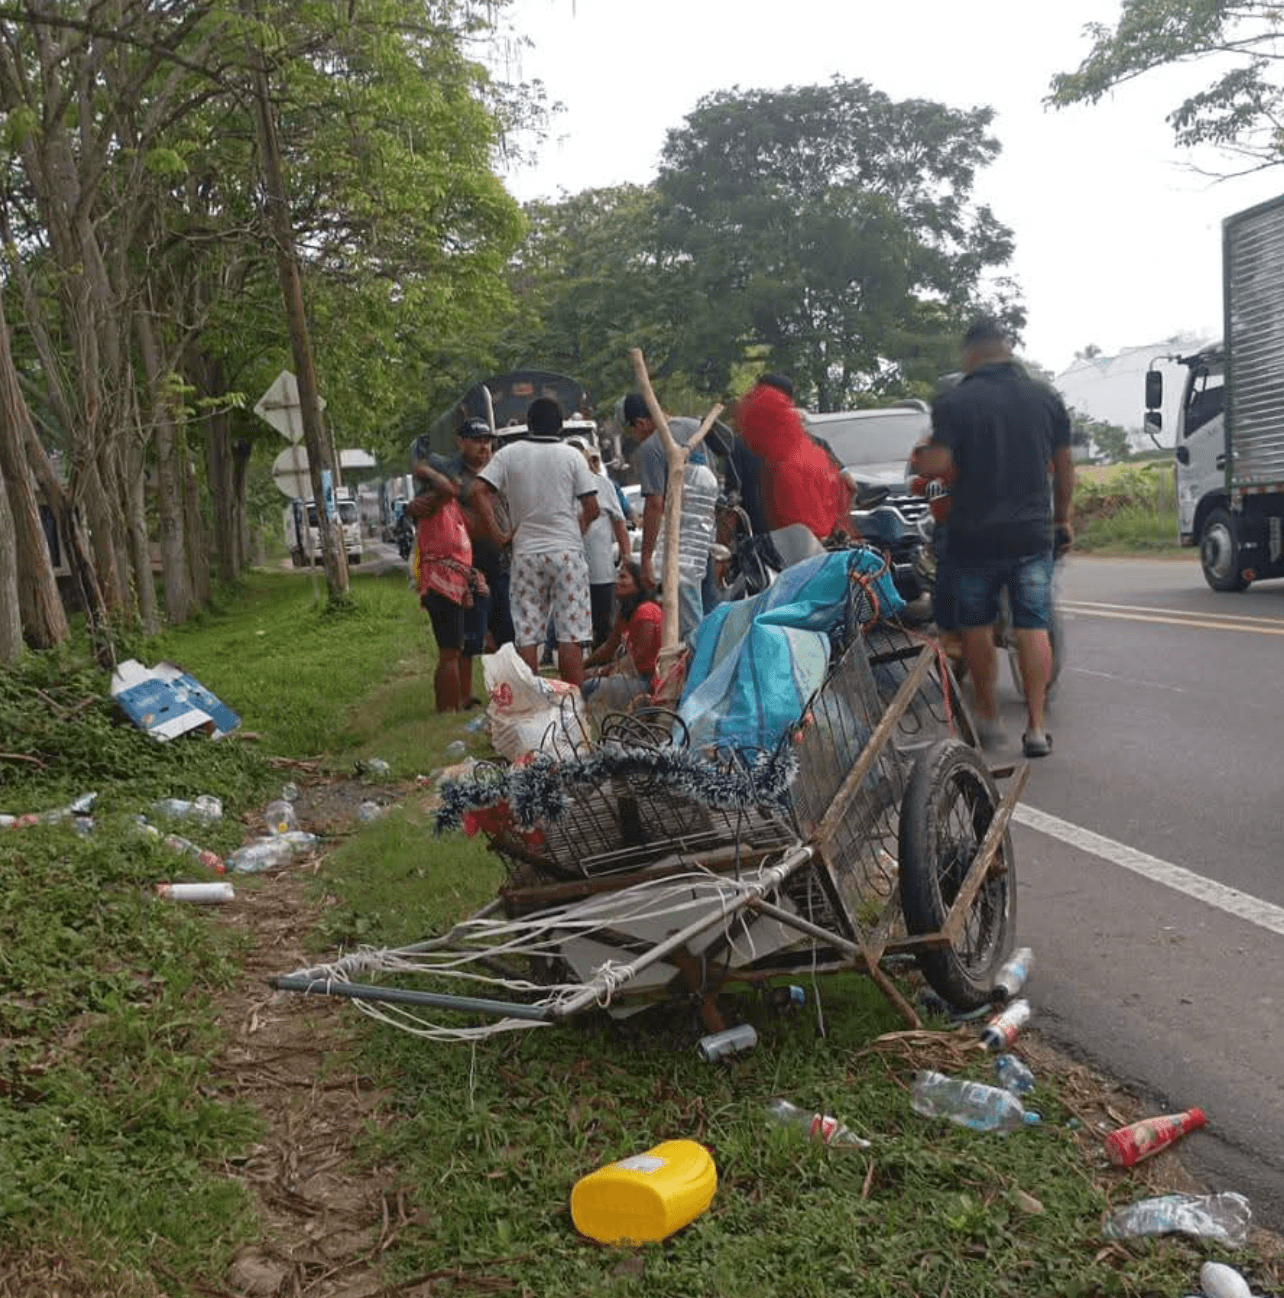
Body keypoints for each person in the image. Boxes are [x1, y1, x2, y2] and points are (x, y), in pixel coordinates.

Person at [918, 319, 1075, 757]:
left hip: (974, 535)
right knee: (1033, 624)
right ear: (1006, 349)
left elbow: (939, 466)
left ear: (971, 352)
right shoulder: (1045, 397)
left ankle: (987, 718)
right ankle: (1037, 728)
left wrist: (927, 460)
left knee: (977, 626)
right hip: (1031, 534)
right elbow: (1064, 470)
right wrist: (1062, 521)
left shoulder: (956, 400)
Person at [473, 397, 600, 687]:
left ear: (528, 425)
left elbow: (478, 491)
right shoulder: (572, 456)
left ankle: (530, 705)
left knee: (527, 635)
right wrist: (576, 530)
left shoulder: (508, 455)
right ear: (561, 426)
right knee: (571, 635)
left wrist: (499, 535)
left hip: (526, 553)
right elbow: (592, 508)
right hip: (567, 554)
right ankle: (573, 707)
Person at [411, 418, 510, 706]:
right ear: (460, 442)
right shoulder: (453, 474)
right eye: (477, 440)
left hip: (502, 563)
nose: (484, 447)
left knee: (505, 635)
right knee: (467, 641)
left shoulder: (499, 472)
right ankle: (464, 697)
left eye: (487, 441)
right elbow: (425, 506)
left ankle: (507, 692)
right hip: (468, 569)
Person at [623, 393, 718, 639]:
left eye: (634, 430)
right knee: (711, 614)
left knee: (690, 625)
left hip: (682, 549)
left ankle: (696, 672)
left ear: (641, 423)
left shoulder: (651, 447)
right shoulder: (695, 427)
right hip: (708, 539)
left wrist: (646, 559)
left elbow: (654, 505)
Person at [405, 455, 487, 713]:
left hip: (453, 582)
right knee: (449, 651)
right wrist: (429, 471)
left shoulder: (452, 506)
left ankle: (454, 703)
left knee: (453, 649)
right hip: (440, 583)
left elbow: (476, 525)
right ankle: (447, 708)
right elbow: (447, 488)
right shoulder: (431, 502)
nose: (456, 483)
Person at [734, 373, 851, 542]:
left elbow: (732, 499)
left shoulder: (740, 444)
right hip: (813, 543)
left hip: (760, 549)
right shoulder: (815, 445)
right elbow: (848, 485)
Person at [567, 437, 631, 648]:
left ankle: (599, 666)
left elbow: (619, 522)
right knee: (572, 629)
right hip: (568, 571)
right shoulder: (559, 487)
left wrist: (626, 557)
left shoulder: (603, 485)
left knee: (603, 625)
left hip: (601, 572)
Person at [581, 560, 663, 712]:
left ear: (638, 584)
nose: (617, 582)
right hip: (632, 677)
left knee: (588, 687)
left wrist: (598, 672)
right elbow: (609, 647)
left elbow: (635, 658)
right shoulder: (626, 612)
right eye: (618, 576)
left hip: (648, 683)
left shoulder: (646, 612)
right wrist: (583, 665)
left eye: (623, 577)